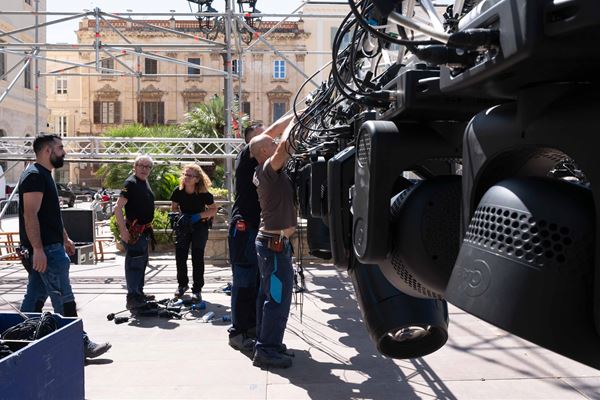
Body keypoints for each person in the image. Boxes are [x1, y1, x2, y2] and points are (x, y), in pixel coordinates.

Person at [18, 133, 111, 359]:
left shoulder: (44, 175)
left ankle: (19, 340)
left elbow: (51, 215)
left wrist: (66, 238)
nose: (64, 151)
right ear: (48, 151)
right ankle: (79, 344)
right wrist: (38, 250)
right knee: (64, 299)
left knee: (34, 299)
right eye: (60, 147)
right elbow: (31, 215)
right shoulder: (34, 176)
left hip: (50, 247)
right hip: (46, 251)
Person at [249, 114, 298, 369]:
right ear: (264, 151)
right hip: (273, 245)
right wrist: (296, 121)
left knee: (270, 297)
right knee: (278, 299)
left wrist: (294, 114)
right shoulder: (268, 169)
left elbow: (279, 141)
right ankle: (266, 350)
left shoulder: (265, 171)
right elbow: (285, 145)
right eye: (271, 142)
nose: (275, 141)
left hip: (273, 244)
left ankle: (269, 343)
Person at [227, 124, 265, 353]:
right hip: (243, 229)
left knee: (256, 282)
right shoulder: (245, 155)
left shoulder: (262, 165)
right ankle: (238, 332)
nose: (268, 139)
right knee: (244, 282)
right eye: (261, 135)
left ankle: (250, 328)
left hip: (254, 228)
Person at [170, 163, 217, 301]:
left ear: (197, 179)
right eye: (185, 174)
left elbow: (213, 209)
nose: (187, 177)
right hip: (183, 226)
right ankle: (182, 285)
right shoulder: (178, 191)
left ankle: (197, 289)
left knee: (197, 258)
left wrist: (198, 216)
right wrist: (177, 217)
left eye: (191, 175)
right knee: (180, 257)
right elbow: (174, 207)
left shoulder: (203, 193)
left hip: (199, 227)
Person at [114, 155, 156, 310]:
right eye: (141, 165)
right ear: (135, 166)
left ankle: (139, 293)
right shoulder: (130, 183)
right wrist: (123, 230)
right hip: (134, 231)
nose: (144, 169)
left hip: (144, 231)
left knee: (142, 263)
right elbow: (118, 208)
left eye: (148, 167)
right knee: (134, 265)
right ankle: (132, 298)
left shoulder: (144, 182)